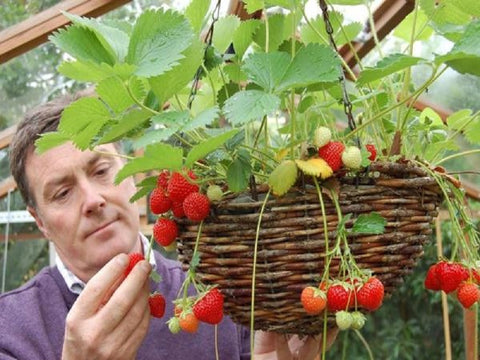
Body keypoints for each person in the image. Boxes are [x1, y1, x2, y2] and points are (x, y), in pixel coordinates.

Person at [0, 91, 338, 359]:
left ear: (133, 175)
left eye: (101, 171)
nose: (92, 200)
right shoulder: (10, 330)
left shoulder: (221, 294)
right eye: (62, 192)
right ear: (40, 221)